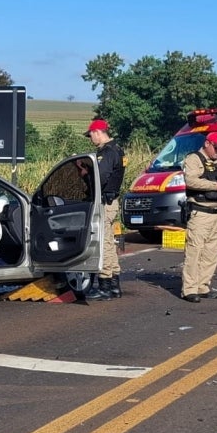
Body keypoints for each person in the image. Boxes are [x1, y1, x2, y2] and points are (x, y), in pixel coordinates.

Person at [181, 131, 217, 303]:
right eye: (216, 148)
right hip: (200, 212)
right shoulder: (194, 159)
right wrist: (215, 186)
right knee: (195, 252)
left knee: (211, 253)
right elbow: (191, 181)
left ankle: (203, 286)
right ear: (207, 144)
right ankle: (189, 289)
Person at [83, 118, 126, 300]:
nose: (90, 139)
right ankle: (114, 284)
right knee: (108, 242)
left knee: (103, 244)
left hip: (104, 202)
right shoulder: (117, 149)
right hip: (112, 201)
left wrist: (85, 175)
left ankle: (105, 285)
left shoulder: (107, 153)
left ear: (98, 132)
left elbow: (100, 178)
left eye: (91, 135)